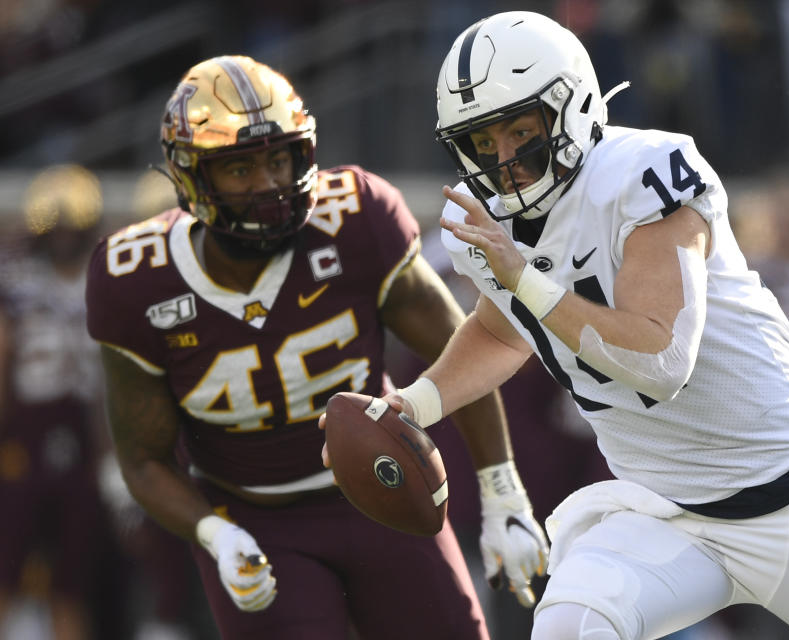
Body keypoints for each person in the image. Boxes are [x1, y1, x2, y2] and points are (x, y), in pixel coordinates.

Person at [380, 11, 789, 639]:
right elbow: (503, 330)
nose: (505, 161)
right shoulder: (486, 224)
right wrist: (413, 405)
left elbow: (659, 360)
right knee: (569, 627)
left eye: (519, 130)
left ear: (571, 107)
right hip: (660, 511)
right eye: (484, 142)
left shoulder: (645, 171)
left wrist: (524, 279)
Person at [85, 55, 548, 640]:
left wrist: (502, 492)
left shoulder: (356, 218)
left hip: (384, 490)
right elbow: (143, 459)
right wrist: (214, 535)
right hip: (254, 518)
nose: (269, 184)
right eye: (240, 169)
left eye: (278, 159)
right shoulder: (136, 278)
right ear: (191, 177)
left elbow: (464, 352)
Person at [0, 164, 109, 640]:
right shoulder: (17, 282)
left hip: (85, 437)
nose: (64, 237)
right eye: (55, 228)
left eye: (73, 227)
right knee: (6, 568)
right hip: (24, 434)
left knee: (74, 582)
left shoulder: (105, 280)